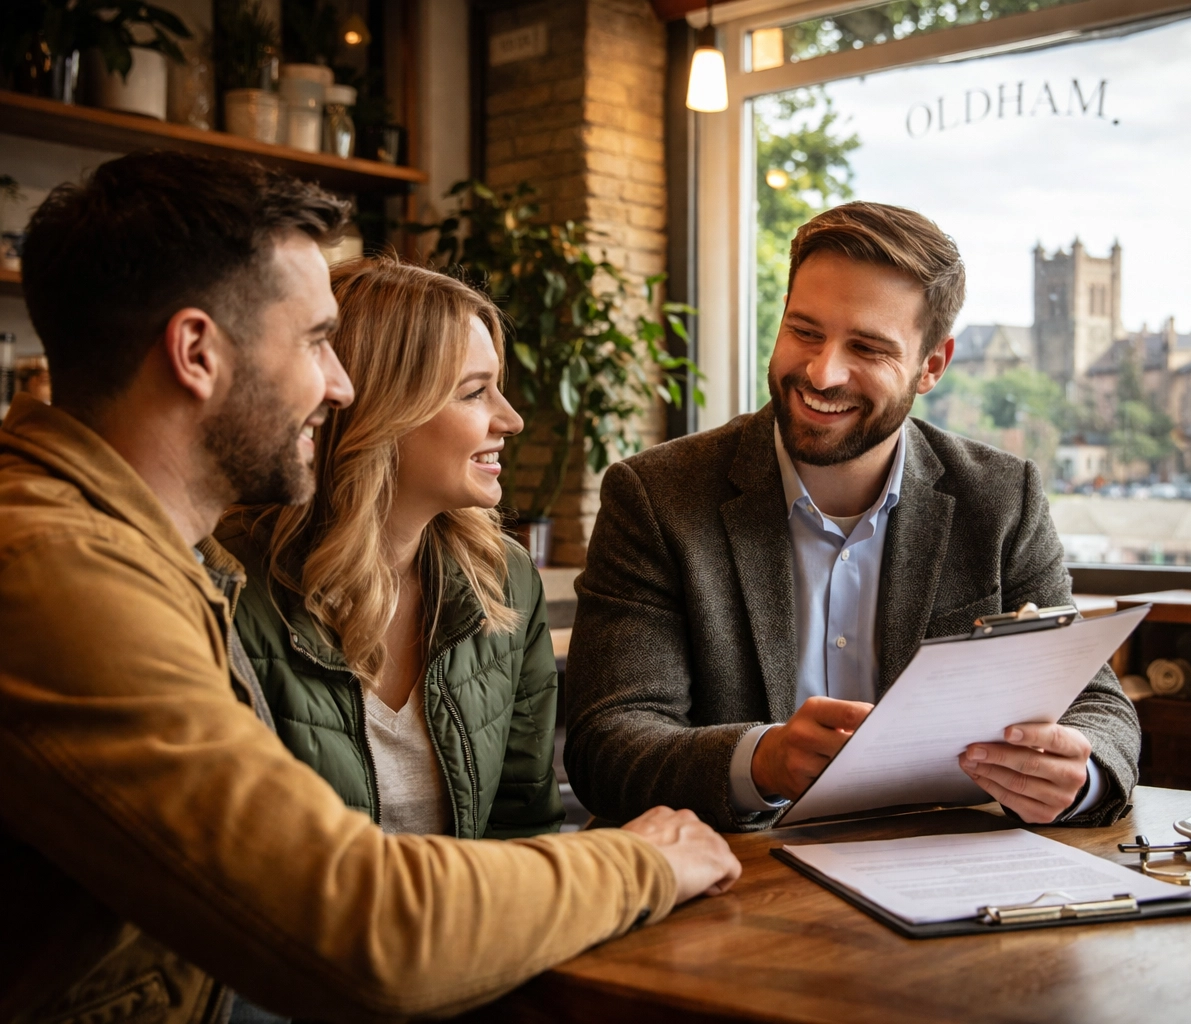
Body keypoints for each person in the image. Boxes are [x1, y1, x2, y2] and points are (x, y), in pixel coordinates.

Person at [0, 151, 738, 1024]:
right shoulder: (57, 572)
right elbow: (359, 921)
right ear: (196, 352)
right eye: (316, 341)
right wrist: (644, 861)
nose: (341, 383)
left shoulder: (151, 553)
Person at [564, 201, 1140, 832]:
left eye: (866, 346)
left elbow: (1099, 707)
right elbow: (606, 747)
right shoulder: (655, 495)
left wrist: (1076, 778)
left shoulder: (1001, 499)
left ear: (933, 366)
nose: (821, 372)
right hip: (725, 881)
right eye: (804, 331)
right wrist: (762, 761)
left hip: (937, 877)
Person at [218, 256, 564, 841]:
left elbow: (523, 831)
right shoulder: (228, 586)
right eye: (475, 392)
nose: (512, 419)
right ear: (380, 410)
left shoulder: (505, 581)